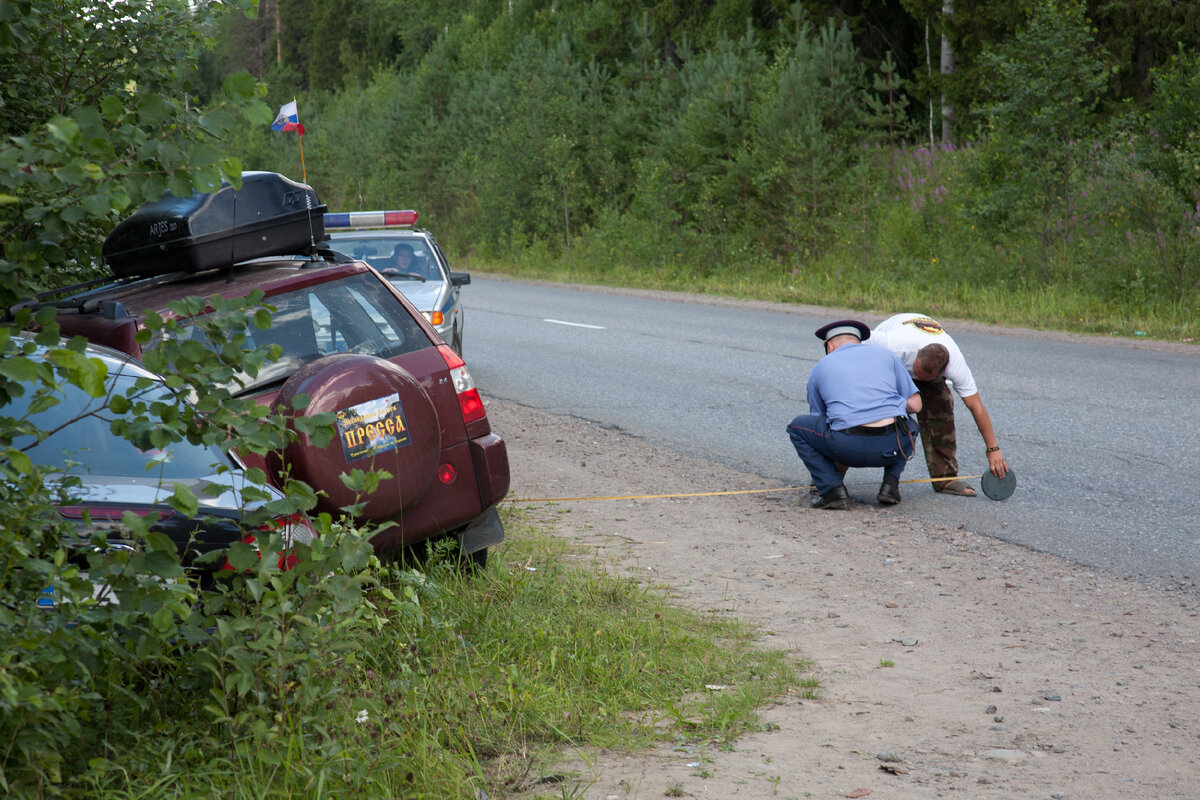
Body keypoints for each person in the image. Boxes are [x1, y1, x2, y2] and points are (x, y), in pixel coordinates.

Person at [867, 313, 1009, 495]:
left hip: (925, 367)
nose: (917, 379)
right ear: (917, 354)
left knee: (941, 403)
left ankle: (945, 479)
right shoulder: (892, 343)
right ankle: (830, 476)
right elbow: (851, 340)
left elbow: (976, 406)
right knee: (865, 407)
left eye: (923, 378)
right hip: (888, 365)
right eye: (916, 373)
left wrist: (993, 449)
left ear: (945, 372)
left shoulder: (956, 364)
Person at [787, 320, 922, 510]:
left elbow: (820, 417)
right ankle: (891, 484)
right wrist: (893, 405)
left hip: (846, 448)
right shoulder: (888, 356)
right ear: (859, 342)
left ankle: (832, 489)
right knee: (911, 425)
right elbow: (916, 405)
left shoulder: (820, 367)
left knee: (797, 428)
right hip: (892, 446)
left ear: (830, 346)